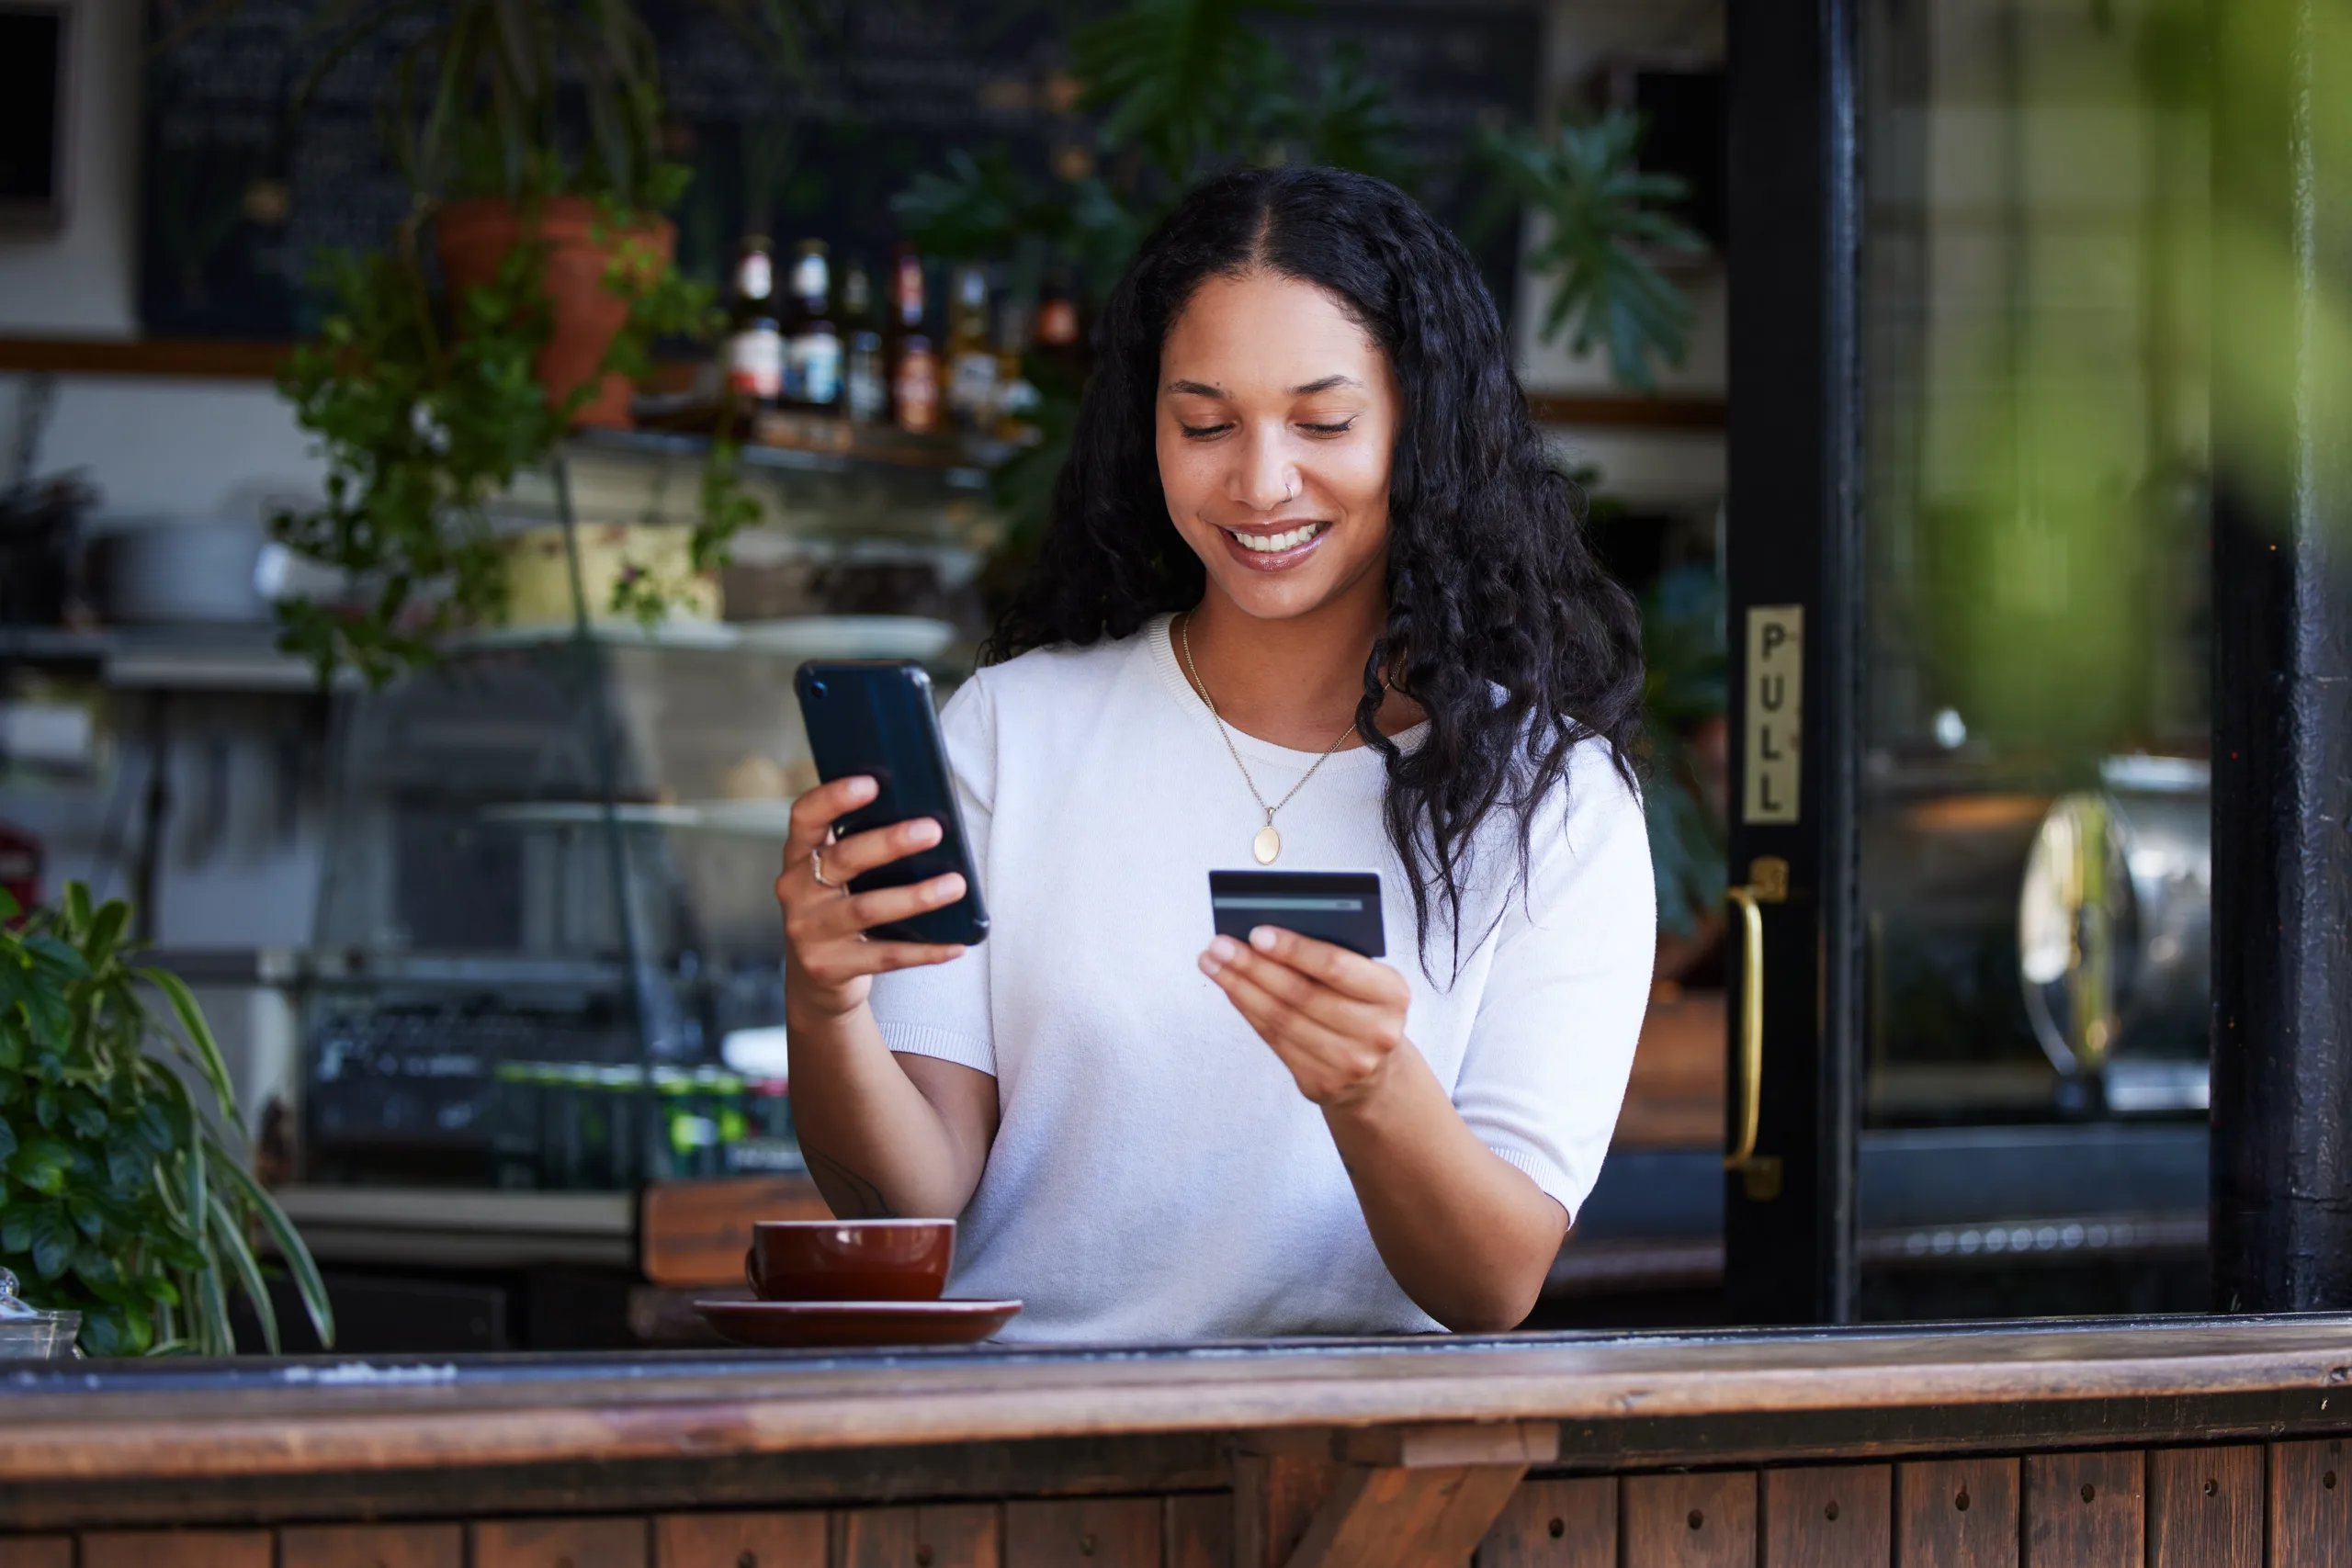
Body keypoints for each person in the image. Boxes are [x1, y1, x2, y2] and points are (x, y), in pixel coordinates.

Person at [775, 165, 1654, 1341]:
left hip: (1355, 1479)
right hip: (1021, 1452)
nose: (1259, 481)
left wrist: (1371, 1088)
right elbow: (908, 1197)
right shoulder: (1013, 731)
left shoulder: (1551, 802)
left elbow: (1491, 1285)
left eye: (1323, 421)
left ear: (1423, 430)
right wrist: (826, 1002)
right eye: (1205, 423)